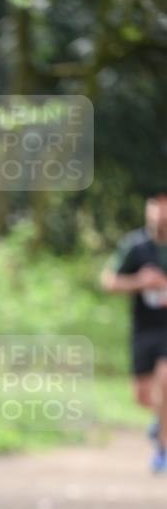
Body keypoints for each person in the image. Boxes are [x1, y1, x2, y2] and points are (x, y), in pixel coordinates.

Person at [100, 190, 167, 473]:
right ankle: (160, 420)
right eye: (155, 209)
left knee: (165, 381)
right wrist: (140, 282)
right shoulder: (135, 245)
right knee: (143, 395)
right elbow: (108, 281)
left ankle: (162, 451)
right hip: (143, 328)